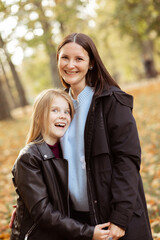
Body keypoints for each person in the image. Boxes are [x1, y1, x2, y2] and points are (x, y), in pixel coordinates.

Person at [56, 33, 153, 240]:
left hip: (112, 219)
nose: (70, 65)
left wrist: (120, 217)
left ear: (91, 63)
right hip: (77, 221)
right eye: (65, 57)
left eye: (79, 59)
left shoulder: (112, 101)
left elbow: (127, 159)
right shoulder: (58, 107)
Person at [10, 89, 111, 240]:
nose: (63, 116)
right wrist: (89, 232)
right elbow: (43, 213)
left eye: (67, 111)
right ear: (39, 117)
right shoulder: (29, 158)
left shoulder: (67, 152)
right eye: (55, 110)